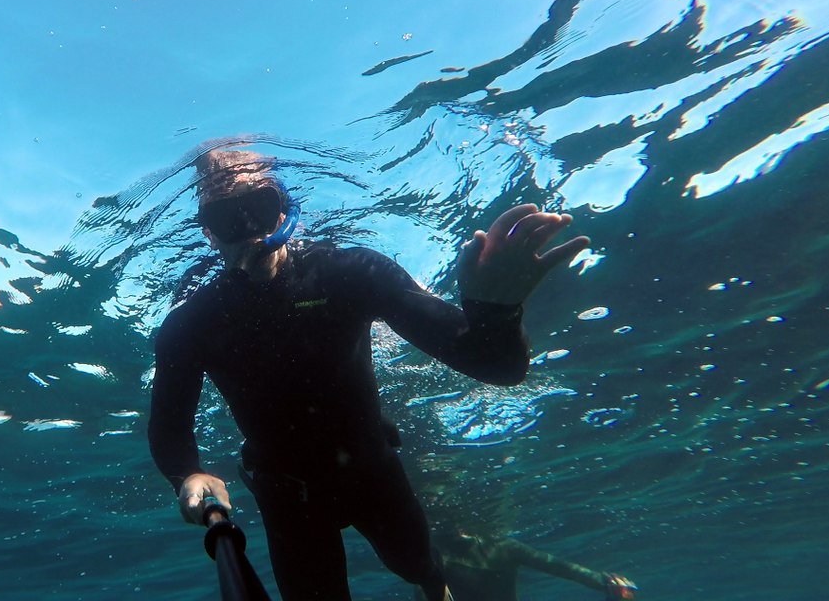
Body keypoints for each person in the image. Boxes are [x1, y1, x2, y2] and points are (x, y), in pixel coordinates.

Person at [147, 148, 589, 601]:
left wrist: (498, 313)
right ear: (209, 234)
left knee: (419, 565)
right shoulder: (192, 322)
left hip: (372, 472)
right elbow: (169, 429)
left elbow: (497, 366)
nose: (249, 231)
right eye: (226, 219)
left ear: (283, 208)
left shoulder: (351, 273)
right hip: (287, 496)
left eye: (258, 208)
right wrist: (187, 475)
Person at [422, 526, 638, 601]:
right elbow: (558, 568)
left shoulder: (504, 547)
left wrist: (606, 585)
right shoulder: (433, 555)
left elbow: (558, 567)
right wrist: (607, 586)